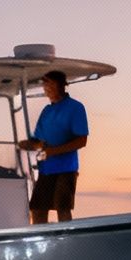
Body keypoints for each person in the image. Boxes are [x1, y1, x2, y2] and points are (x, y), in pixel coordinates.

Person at [18, 70, 90, 224]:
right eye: (44, 84)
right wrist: (26, 145)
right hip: (46, 169)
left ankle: (66, 241)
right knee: (37, 208)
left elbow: (81, 141)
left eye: (49, 83)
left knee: (62, 208)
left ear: (61, 85)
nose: (46, 87)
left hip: (66, 169)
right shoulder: (46, 111)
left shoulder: (75, 107)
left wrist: (54, 151)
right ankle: (40, 241)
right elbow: (38, 141)